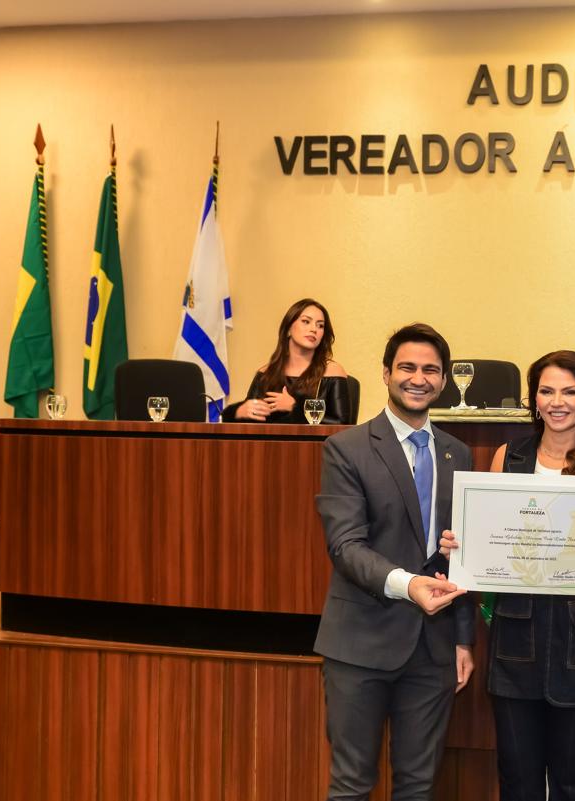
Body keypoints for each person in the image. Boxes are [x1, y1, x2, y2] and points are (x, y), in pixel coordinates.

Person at [439, 350, 575, 801]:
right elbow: (489, 543)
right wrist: (463, 547)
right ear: (533, 400)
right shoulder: (506, 456)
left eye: (570, 391)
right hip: (517, 640)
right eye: (547, 391)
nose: (558, 402)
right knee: (517, 778)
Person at [313, 323, 475, 801]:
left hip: (433, 649)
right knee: (351, 785)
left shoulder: (457, 453)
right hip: (360, 644)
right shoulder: (346, 448)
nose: (418, 378)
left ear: (443, 381)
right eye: (407, 367)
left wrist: (464, 639)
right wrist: (410, 586)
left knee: (418, 786)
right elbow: (345, 546)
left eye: (430, 370)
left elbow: (461, 557)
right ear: (386, 374)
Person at [223, 298, 351, 424]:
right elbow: (250, 421)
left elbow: (341, 423)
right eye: (306, 321)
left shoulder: (331, 371)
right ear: (289, 327)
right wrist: (238, 411)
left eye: (320, 325)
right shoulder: (266, 373)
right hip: (268, 443)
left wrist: (294, 408)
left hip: (314, 445)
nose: (314, 329)